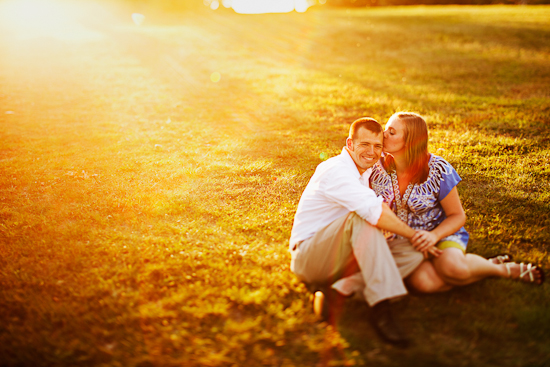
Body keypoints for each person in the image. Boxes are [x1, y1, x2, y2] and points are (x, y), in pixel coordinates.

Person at [289, 117, 437, 346]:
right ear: (350, 144)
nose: (372, 152)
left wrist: (415, 240)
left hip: (342, 253)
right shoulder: (336, 170)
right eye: (364, 145)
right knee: (362, 219)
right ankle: (382, 307)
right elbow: (374, 213)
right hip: (310, 257)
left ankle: (338, 291)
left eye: (378, 146)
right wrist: (413, 233)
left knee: (412, 251)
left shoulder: (365, 173)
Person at [369, 112, 545, 292]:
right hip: (405, 242)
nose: (383, 134)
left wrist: (433, 236)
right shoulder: (375, 168)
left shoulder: (437, 169)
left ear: (410, 141)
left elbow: (457, 216)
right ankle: (478, 267)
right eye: (386, 129)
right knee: (425, 284)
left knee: (453, 269)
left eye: (391, 132)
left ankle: (500, 270)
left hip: (440, 233)